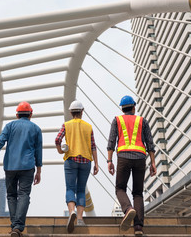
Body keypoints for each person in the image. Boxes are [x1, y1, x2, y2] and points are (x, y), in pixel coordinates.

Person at [0, 102, 42, 237]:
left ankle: (15, 226)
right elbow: (38, 152)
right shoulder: (36, 129)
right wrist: (39, 171)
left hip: (10, 166)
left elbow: (0, 141)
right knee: (24, 194)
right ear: (31, 114)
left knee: (11, 195)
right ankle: (17, 227)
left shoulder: (10, 126)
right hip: (27, 166)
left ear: (17, 114)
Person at [107, 95, 157, 236]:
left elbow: (111, 142)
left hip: (123, 157)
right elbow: (150, 144)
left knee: (120, 188)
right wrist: (153, 163)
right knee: (138, 192)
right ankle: (139, 227)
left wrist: (109, 161)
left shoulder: (117, 120)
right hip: (140, 158)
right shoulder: (142, 121)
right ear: (134, 107)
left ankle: (128, 209)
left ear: (122, 108)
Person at [55, 100, 99, 233]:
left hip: (71, 159)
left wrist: (61, 150)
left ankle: (71, 212)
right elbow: (93, 146)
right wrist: (96, 163)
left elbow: (57, 139)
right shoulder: (88, 127)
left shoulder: (66, 125)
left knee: (70, 188)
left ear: (70, 112)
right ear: (82, 111)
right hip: (86, 160)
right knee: (81, 189)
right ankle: (80, 218)